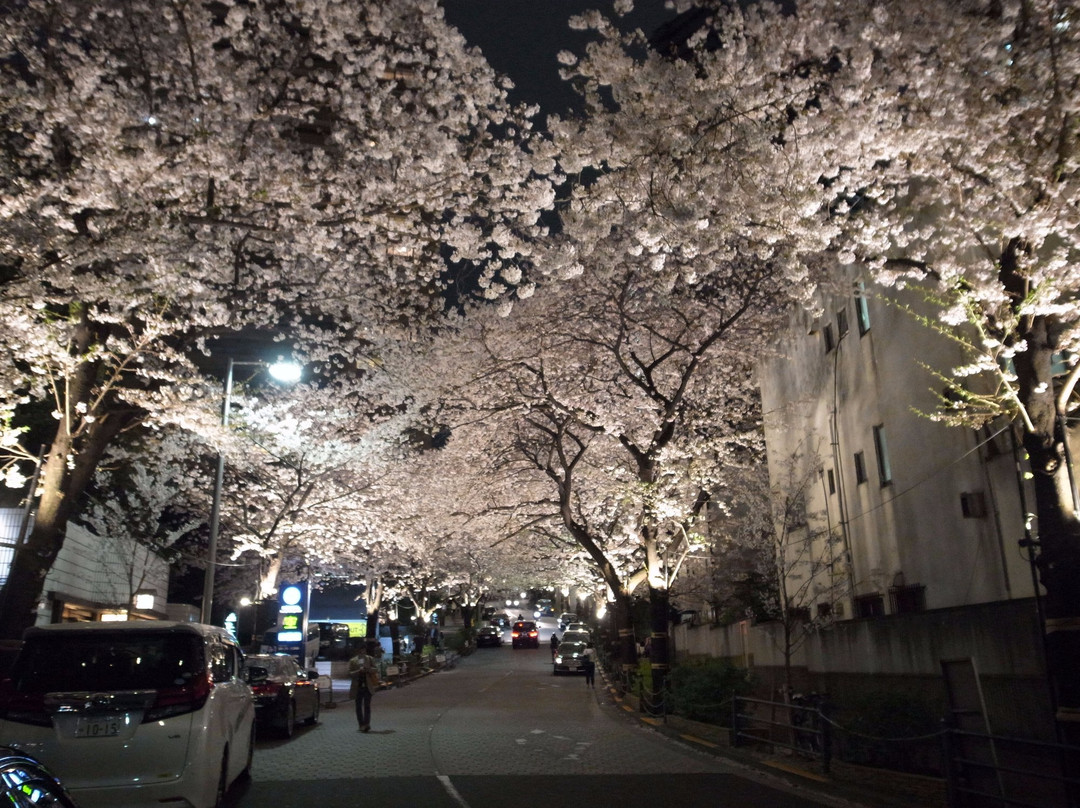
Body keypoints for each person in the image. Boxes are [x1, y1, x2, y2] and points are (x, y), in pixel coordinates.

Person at [348, 642, 380, 732]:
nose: (362, 651)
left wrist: (368, 669)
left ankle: (367, 723)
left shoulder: (370, 659)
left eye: (363, 650)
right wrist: (358, 671)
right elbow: (349, 673)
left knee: (367, 706)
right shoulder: (353, 661)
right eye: (360, 650)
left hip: (367, 686)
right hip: (357, 686)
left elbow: (375, 669)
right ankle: (361, 724)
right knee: (358, 706)